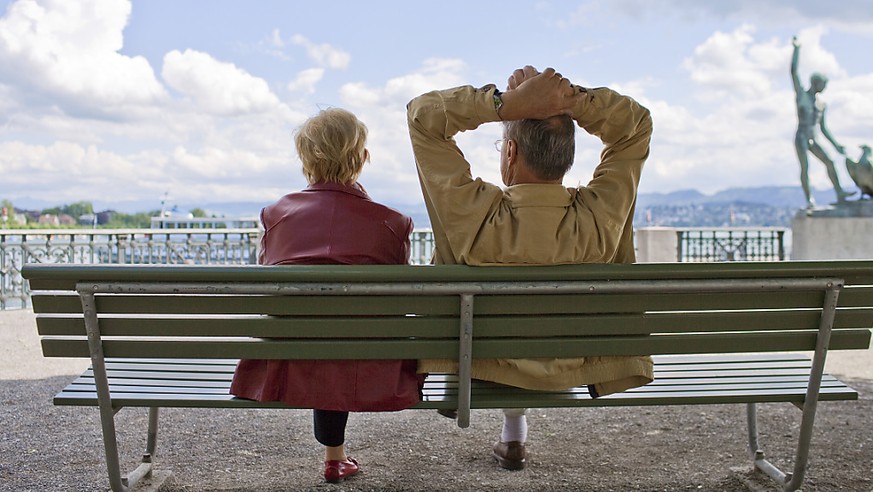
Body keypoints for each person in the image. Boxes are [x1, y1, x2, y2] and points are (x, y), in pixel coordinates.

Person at [407, 65, 654, 470]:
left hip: (479, 361)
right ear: (567, 157)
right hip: (570, 364)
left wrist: (505, 105)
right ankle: (514, 432)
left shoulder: (474, 217)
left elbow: (422, 115)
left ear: (510, 154)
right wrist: (570, 99)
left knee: (484, 327)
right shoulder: (597, 219)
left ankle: (510, 425)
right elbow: (635, 124)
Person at [230, 107, 423, 484]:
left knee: (319, 331)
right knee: (342, 335)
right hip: (368, 361)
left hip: (289, 359)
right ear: (363, 158)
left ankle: (335, 455)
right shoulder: (393, 223)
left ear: (304, 157)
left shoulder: (275, 215)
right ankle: (335, 457)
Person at [791, 36, 853, 208]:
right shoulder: (802, 96)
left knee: (830, 162)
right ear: (816, 83)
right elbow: (793, 72)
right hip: (802, 136)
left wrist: (836, 145)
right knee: (806, 168)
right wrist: (797, 49)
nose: (824, 88)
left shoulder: (821, 104)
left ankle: (840, 193)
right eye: (823, 84)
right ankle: (809, 199)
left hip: (814, 137)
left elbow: (824, 128)